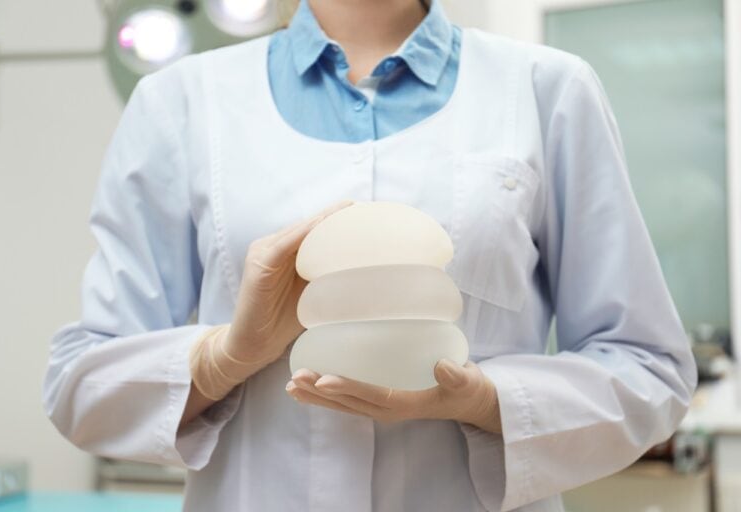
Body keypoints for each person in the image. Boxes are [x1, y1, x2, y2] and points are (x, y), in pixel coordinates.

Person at [43, 0, 697, 510]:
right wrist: (226, 356)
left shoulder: (548, 89)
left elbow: (649, 369)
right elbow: (81, 385)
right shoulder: (178, 103)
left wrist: (484, 399)